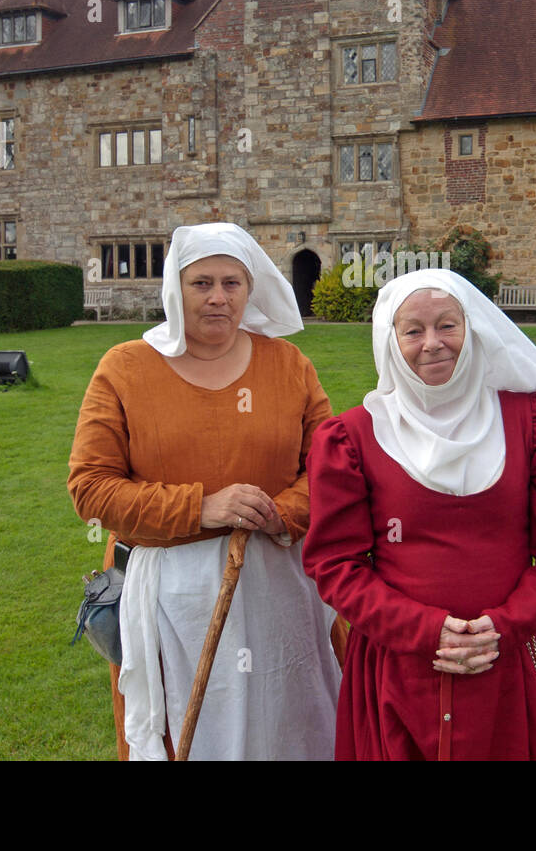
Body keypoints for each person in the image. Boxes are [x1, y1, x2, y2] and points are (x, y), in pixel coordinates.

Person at [67, 222, 341, 760]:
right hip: (170, 597)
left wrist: (279, 512)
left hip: (279, 587)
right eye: (202, 283)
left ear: (250, 287)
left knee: (286, 727)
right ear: (176, 287)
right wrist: (202, 508)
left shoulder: (288, 366)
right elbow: (91, 487)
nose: (218, 297)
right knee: (184, 738)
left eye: (232, 283)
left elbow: (331, 471)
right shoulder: (125, 369)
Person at [302, 268, 536, 760]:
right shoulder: (352, 437)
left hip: (508, 658)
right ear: (390, 340)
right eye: (413, 330)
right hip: (398, 664)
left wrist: (506, 624)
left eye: (448, 325)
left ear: (473, 328)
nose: (433, 343)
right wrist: (423, 630)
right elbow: (336, 565)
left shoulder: (532, 422)